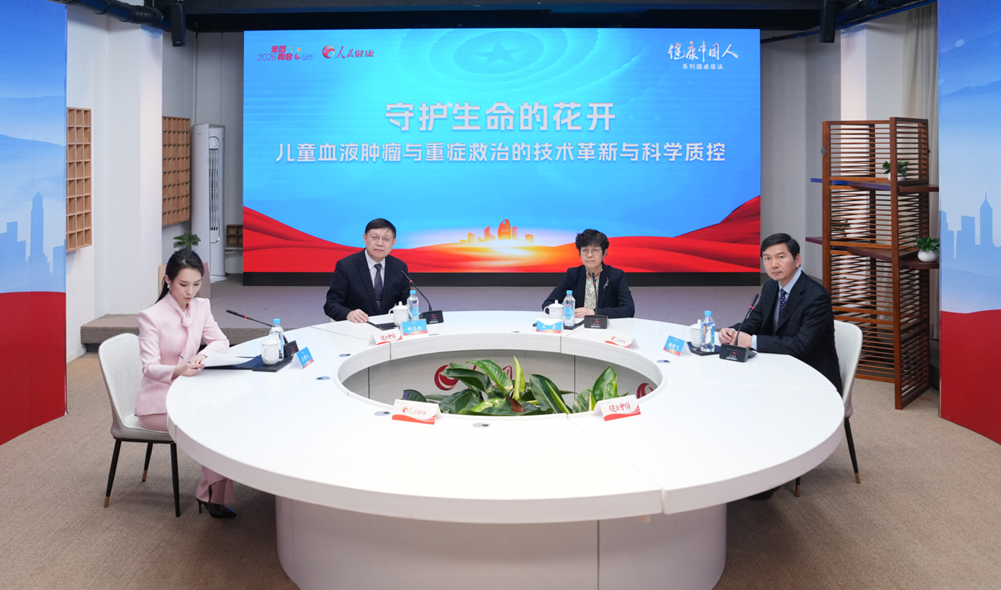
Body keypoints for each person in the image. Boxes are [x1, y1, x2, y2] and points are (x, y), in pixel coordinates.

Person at [136, 248, 237, 519]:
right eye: (183, 285)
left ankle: (214, 491)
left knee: (228, 413)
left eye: (196, 284)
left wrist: (204, 355)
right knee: (212, 422)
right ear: (168, 280)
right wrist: (178, 370)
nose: (190, 291)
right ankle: (213, 493)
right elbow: (148, 367)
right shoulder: (151, 316)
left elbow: (221, 341)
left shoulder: (201, 307)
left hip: (190, 393)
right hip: (158, 403)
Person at [718, 233, 842, 395]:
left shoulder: (817, 296)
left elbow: (801, 346)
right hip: (779, 367)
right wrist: (733, 332)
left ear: (797, 260)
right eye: (767, 258)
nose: (774, 264)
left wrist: (751, 341)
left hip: (812, 377)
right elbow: (755, 322)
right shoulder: (771, 287)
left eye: (780, 257)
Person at [324, 218, 411, 323]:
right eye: (375, 237)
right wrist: (348, 314)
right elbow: (331, 305)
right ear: (365, 238)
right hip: (356, 326)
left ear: (393, 242)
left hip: (388, 327)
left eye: (386, 239)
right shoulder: (346, 266)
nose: (380, 243)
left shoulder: (399, 267)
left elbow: (405, 303)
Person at [542, 229, 635, 319]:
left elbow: (629, 309)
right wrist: (562, 312)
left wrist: (594, 313)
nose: (589, 255)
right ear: (580, 254)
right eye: (585, 250)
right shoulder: (573, 274)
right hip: (578, 325)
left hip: (605, 326)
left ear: (604, 253)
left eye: (595, 250)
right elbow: (548, 303)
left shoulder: (616, 275)